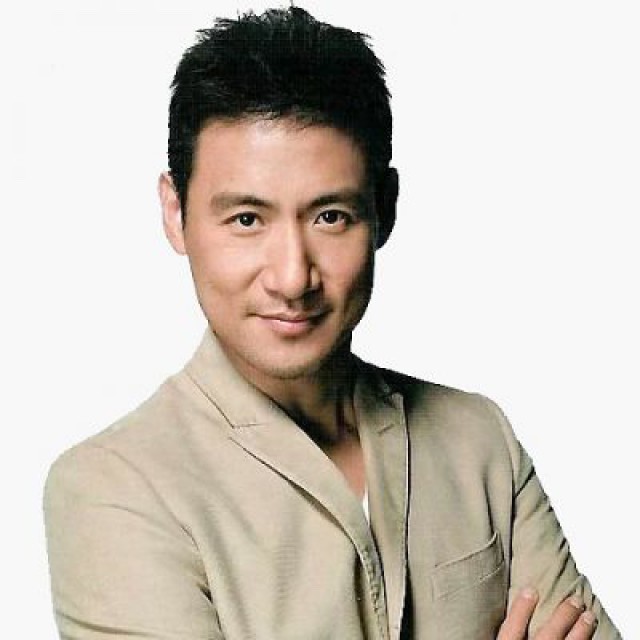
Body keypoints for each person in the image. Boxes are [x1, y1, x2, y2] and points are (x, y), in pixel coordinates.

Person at [43, 7, 621, 639]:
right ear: (175, 213)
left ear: (384, 209)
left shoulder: (478, 440)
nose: (293, 278)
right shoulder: (114, 490)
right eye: (246, 220)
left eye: (330, 217)